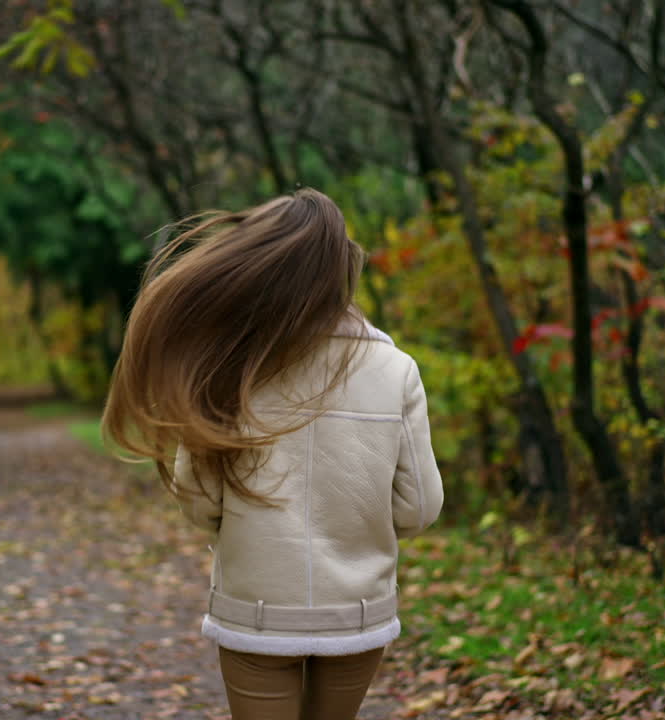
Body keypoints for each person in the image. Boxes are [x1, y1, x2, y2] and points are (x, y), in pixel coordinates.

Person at [102, 188, 443, 720]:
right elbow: (419, 509)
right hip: (356, 614)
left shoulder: (229, 367)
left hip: (254, 613)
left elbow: (198, 504)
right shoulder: (395, 370)